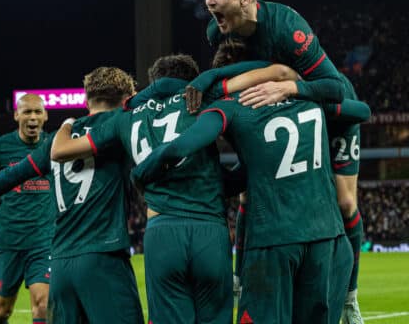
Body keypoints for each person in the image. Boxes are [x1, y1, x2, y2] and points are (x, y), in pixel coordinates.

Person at [131, 42, 370, 324]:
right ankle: (350, 297)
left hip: (272, 237)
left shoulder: (231, 106)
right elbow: (362, 111)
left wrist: (142, 173)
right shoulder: (309, 96)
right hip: (326, 237)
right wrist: (299, 88)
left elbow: (185, 145)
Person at [51, 55, 236, 324]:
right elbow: (258, 74)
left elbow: (60, 151)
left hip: (162, 231)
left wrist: (67, 123)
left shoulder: (128, 117)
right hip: (209, 226)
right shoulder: (204, 100)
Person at [0, 67, 144, 324]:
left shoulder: (58, 138)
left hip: (61, 264)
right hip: (103, 255)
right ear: (126, 100)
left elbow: (14, 174)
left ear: (86, 100)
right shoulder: (123, 124)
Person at [190, 0, 345, 110]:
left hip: (313, 100)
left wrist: (287, 88)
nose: (209, 2)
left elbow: (336, 88)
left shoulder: (288, 29)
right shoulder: (215, 31)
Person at [0, 93, 52, 324]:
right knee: (3, 310)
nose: (33, 117)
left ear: (45, 116)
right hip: (10, 241)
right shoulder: (0, 147)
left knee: (43, 305)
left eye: (38, 112)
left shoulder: (54, 146)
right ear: (17, 115)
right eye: (27, 112)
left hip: (44, 239)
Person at [329, 74, 366, 324]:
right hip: (300, 114)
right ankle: (239, 279)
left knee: (346, 203)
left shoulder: (339, 83)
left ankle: (349, 298)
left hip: (337, 113)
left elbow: (363, 111)